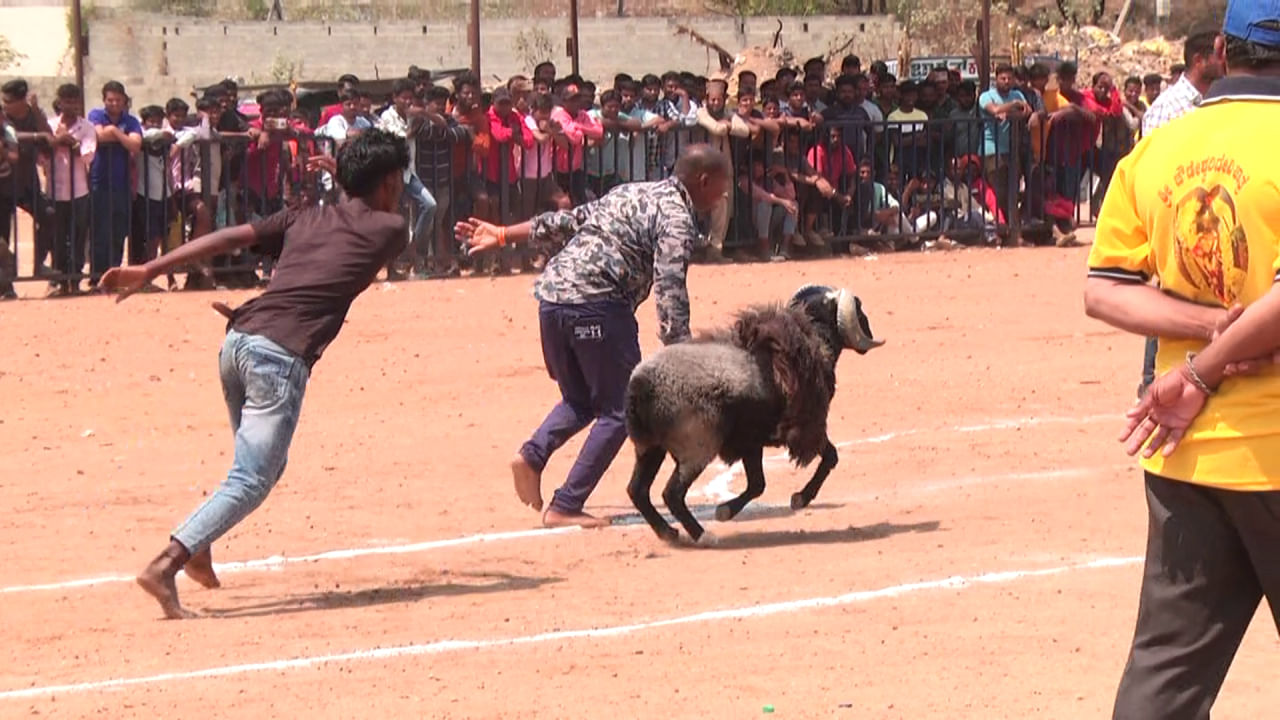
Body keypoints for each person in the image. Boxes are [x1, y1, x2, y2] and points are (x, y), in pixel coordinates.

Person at [99, 129, 409, 619]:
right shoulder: (391, 228)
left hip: (238, 341)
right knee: (252, 478)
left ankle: (201, 546)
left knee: (257, 466)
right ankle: (166, 564)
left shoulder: (305, 215)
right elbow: (390, 212)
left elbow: (231, 236)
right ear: (391, 179)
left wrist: (150, 268)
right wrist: (350, 181)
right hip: (278, 357)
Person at [1083, 3, 1280, 716]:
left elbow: (1104, 291)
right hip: (1266, 443)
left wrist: (1204, 332)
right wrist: (1206, 365)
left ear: (1223, 49)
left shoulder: (1160, 148)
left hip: (1187, 458)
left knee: (1164, 679)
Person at [455, 144, 731, 529]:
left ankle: (533, 456)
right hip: (597, 304)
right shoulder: (677, 218)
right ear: (703, 182)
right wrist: (682, 355)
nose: (723, 196)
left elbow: (565, 221)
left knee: (580, 399)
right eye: (722, 186)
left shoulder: (630, 191)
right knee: (622, 410)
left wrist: (503, 234)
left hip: (551, 300)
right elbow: (670, 287)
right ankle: (566, 503)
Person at [1135, 29, 1226, 399]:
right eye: (1219, 56)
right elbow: (1153, 170)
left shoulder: (1217, 104)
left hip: (1215, 219)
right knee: (1171, 300)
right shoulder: (1168, 108)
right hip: (1180, 218)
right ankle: (1151, 382)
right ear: (1201, 60)